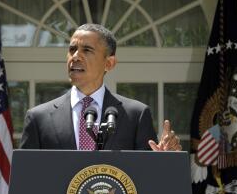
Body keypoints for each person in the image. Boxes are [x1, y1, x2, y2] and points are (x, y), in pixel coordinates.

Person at [20, 23, 181, 151]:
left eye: (87, 50)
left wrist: (164, 159)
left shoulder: (136, 115)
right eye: (72, 49)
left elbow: (148, 177)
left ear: (109, 63)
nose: (75, 56)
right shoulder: (38, 118)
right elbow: (26, 179)